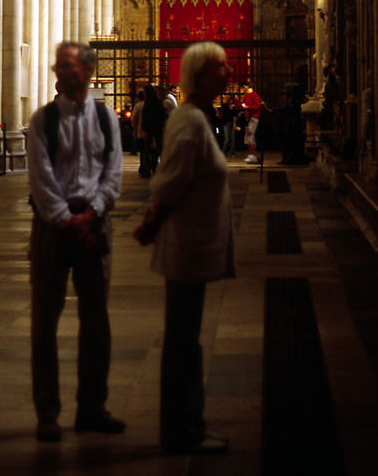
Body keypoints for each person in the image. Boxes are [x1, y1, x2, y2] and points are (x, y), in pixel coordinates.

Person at [134, 41, 235, 455]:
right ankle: (182, 429)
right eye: (220, 68)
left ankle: (185, 424)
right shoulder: (189, 120)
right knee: (181, 342)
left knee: (185, 339)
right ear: (198, 75)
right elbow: (170, 182)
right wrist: (152, 223)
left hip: (195, 242)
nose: (228, 73)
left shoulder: (195, 116)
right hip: (186, 244)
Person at [26, 40, 125, 443]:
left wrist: (93, 213)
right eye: (58, 67)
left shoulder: (105, 118)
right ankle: (47, 413)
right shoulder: (42, 120)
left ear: (87, 70)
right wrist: (68, 220)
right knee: (44, 323)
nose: (61, 73)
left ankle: (92, 408)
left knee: (97, 321)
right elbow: (41, 177)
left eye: (68, 67)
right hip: (53, 227)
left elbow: (113, 171)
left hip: (94, 224)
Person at [240, 83, 261, 164]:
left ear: (248, 86)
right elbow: (242, 104)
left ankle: (253, 155)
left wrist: (248, 107)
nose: (243, 89)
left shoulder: (253, 94)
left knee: (249, 136)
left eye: (244, 87)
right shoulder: (246, 95)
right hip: (249, 118)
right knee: (250, 137)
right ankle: (252, 155)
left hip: (253, 117)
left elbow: (258, 105)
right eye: (242, 88)